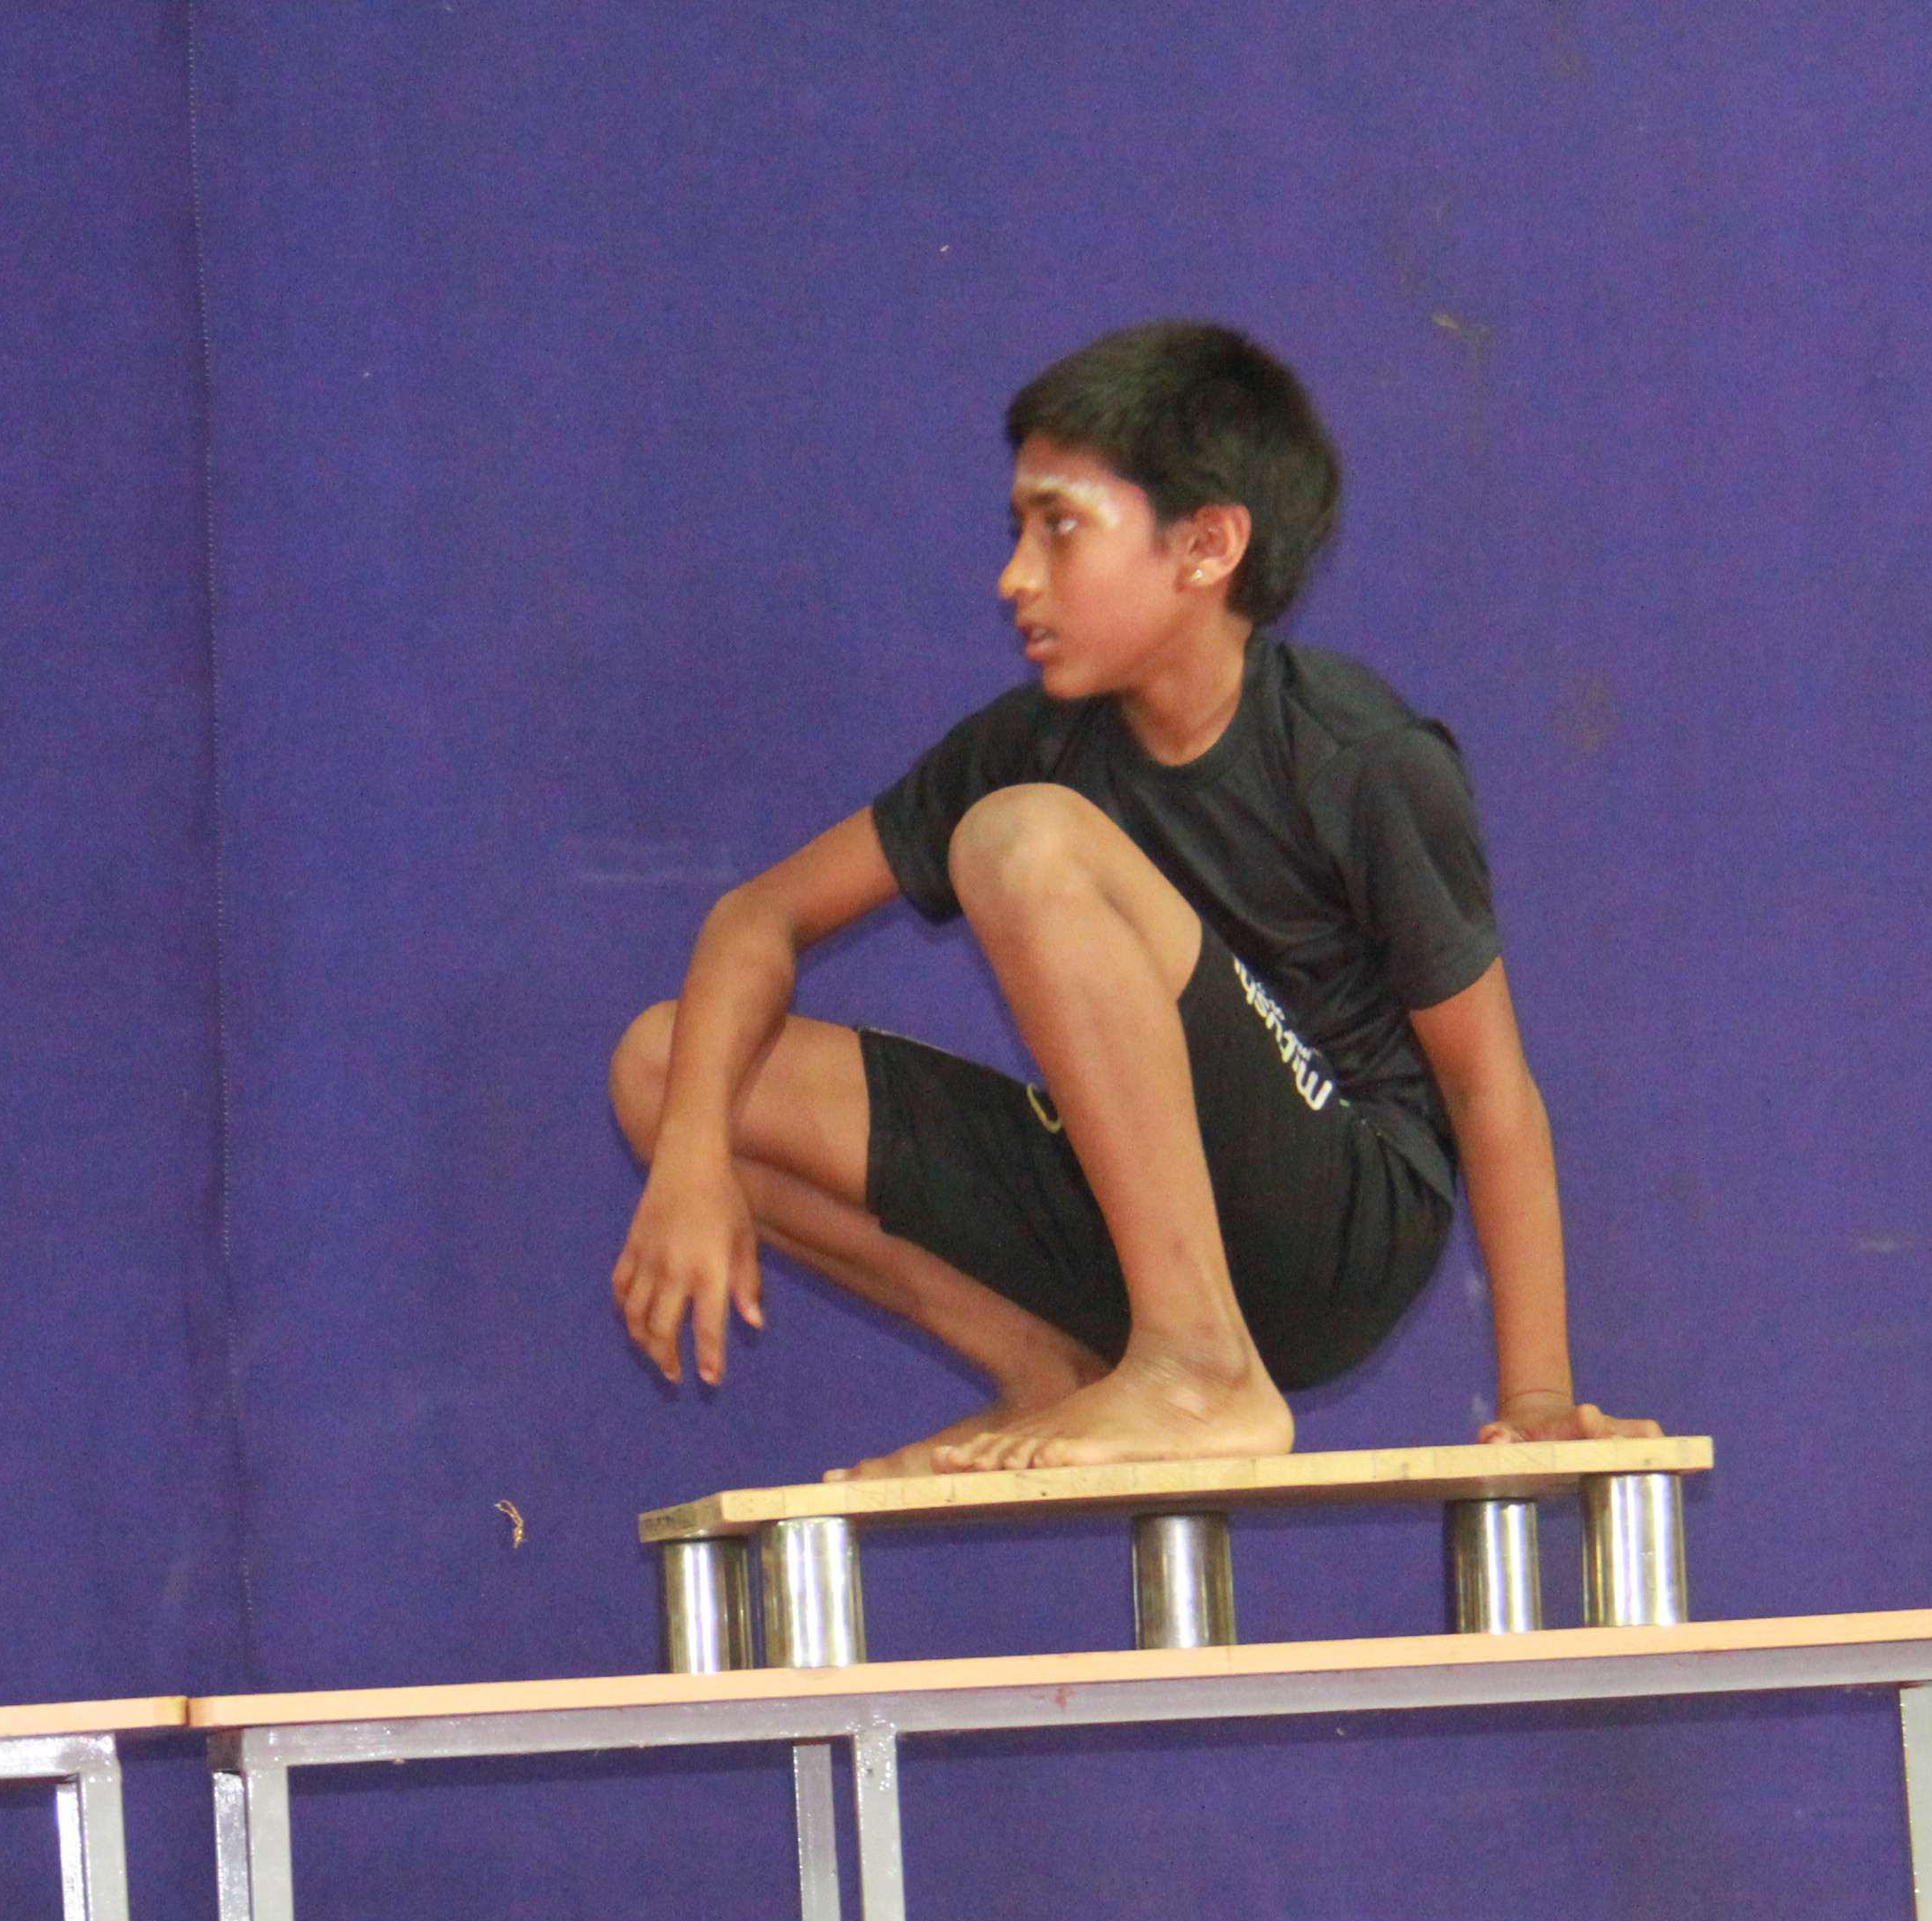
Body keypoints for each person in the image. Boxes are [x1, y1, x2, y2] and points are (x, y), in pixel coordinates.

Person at [608, 321, 1653, 1476]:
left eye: (1059, 527)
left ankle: (1198, 1368)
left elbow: (1486, 1082)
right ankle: (1053, 1371)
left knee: (1019, 838)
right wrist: (693, 1155)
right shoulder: (1032, 741)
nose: (1015, 577)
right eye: (1016, 531)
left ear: (1205, 547)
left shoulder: (1360, 757)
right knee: (667, 1066)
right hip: (1135, 1215)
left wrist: (1539, 1399)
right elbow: (758, 917)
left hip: (1337, 1222)